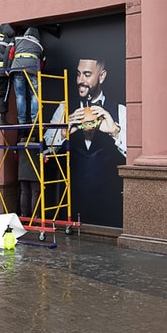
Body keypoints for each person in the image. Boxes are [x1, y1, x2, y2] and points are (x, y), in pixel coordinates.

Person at [45, 57, 126, 227]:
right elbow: (46, 150)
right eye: (78, 74)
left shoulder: (119, 111)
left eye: (87, 74)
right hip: (73, 206)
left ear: (101, 76)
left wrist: (115, 131)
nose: (80, 80)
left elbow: (133, 154)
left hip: (110, 210)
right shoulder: (64, 108)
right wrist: (64, 132)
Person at [10, 26, 44, 129]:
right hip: (32, 67)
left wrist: (8, 68)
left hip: (17, 66)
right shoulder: (39, 45)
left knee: (20, 95)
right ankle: (35, 119)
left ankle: (21, 121)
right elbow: (42, 63)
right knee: (35, 94)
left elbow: (10, 54)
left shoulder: (17, 39)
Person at [18, 137, 43, 219]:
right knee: (35, 193)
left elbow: (16, 154)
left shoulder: (19, 142)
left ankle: (23, 214)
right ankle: (35, 215)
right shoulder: (40, 140)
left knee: (24, 192)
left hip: (22, 171)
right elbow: (45, 156)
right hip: (34, 170)